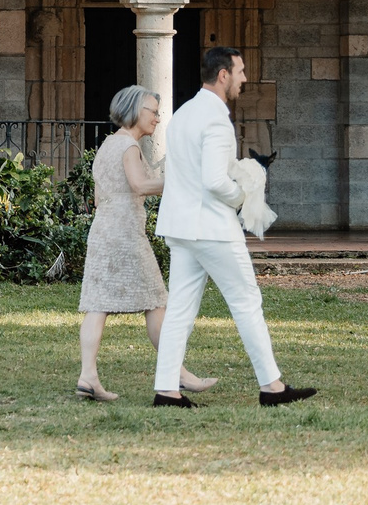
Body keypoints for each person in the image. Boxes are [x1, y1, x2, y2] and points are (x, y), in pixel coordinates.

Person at [151, 48, 317, 408]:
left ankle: (166, 390)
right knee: (247, 302)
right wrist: (242, 193)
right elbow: (213, 180)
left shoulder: (181, 115)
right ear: (223, 74)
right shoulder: (216, 119)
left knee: (180, 308)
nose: (244, 78)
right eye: (240, 71)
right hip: (211, 227)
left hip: (180, 226)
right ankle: (272, 388)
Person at [75, 85, 216, 401]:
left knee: (97, 305)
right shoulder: (128, 147)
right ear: (135, 111)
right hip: (125, 234)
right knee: (155, 301)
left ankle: (88, 377)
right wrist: (182, 182)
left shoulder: (108, 145)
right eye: (152, 111)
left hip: (102, 231)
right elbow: (139, 184)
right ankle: (177, 374)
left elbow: (100, 198)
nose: (157, 117)